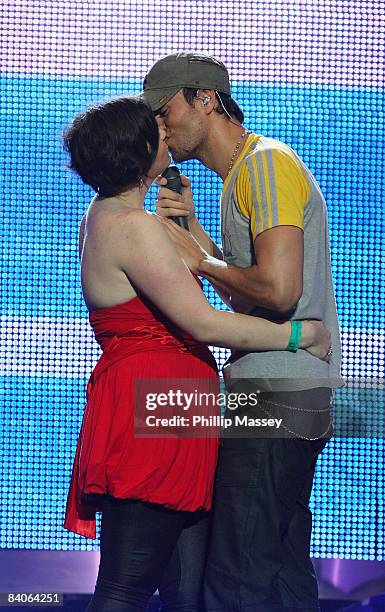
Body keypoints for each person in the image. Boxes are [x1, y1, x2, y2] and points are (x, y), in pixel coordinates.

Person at [62, 95, 331, 612]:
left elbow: (182, 282)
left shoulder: (108, 216)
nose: (166, 134)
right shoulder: (132, 227)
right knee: (127, 585)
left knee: (185, 590)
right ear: (139, 150)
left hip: (172, 408)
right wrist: (300, 336)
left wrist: (187, 228)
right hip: (158, 412)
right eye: (155, 130)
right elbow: (203, 321)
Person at [143, 52, 344, 611]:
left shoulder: (263, 165)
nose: (161, 129)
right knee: (277, 569)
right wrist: (199, 237)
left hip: (277, 392)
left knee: (236, 574)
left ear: (204, 99)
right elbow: (252, 293)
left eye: (165, 112)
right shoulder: (244, 174)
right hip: (289, 391)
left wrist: (202, 263)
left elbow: (279, 292)